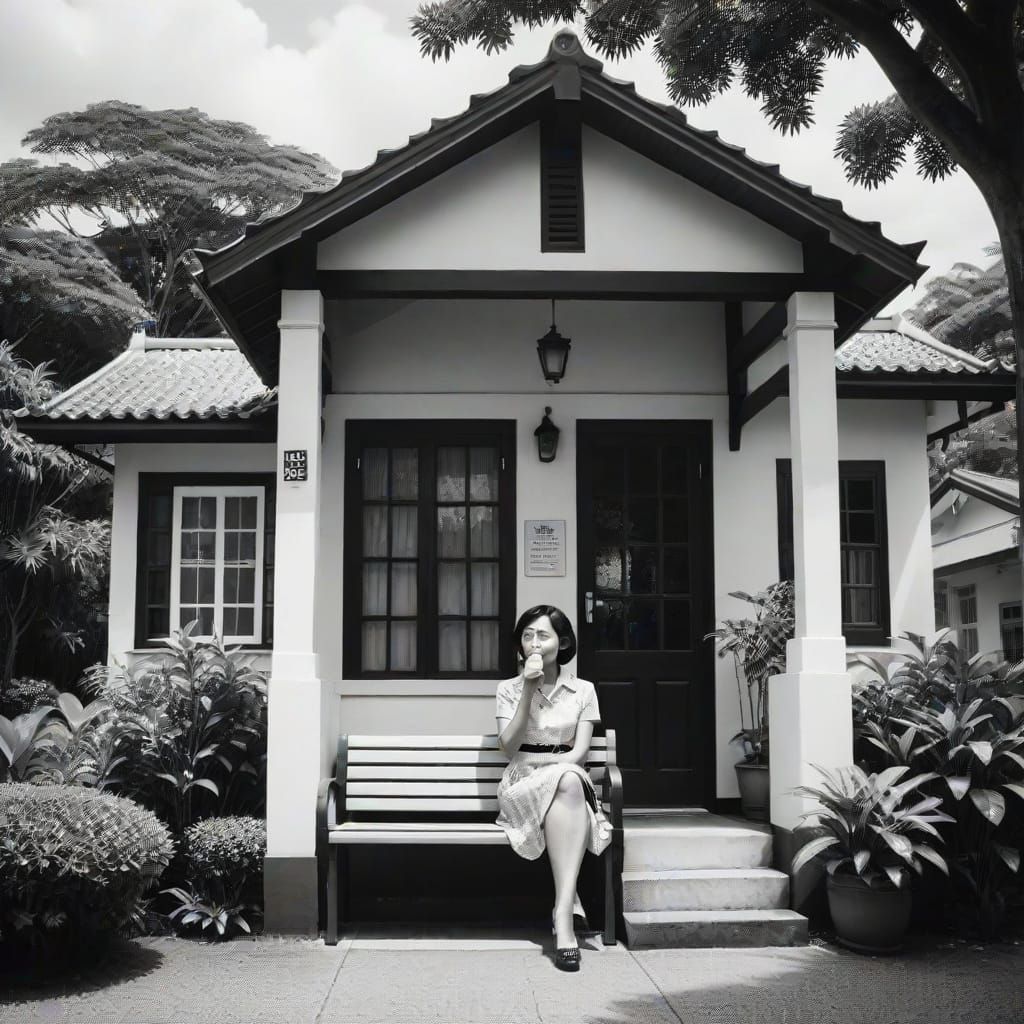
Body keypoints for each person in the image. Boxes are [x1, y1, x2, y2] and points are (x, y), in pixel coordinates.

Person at [494, 605, 612, 972]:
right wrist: (529, 688)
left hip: (567, 780)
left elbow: (578, 752)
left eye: (542, 635)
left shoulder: (584, 690)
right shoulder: (508, 689)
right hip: (521, 785)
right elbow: (509, 748)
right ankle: (567, 910)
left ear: (561, 643)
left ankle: (562, 915)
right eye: (527, 635)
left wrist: (554, 766)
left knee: (570, 779)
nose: (533, 643)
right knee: (570, 779)